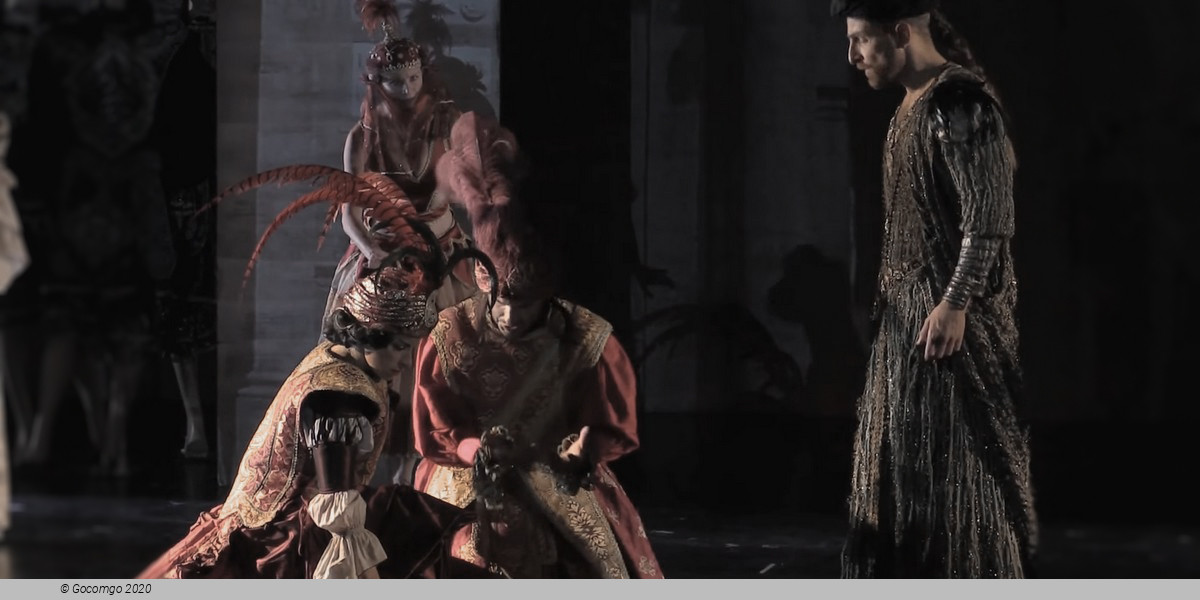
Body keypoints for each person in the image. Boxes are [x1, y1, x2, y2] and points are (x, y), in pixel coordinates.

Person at [137, 167, 494, 579]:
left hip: (306, 511)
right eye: (397, 346)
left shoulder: (337, 360)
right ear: (366, 336)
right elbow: (338, 511)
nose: (404, 360)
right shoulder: (339, 398)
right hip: (284, 535)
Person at [830, 0, 1037, 578]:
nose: (852, 56)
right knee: (900, 474)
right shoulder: (909, 106)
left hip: (944, 323)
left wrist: (954, 302)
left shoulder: (959, 102)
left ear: (900, 33)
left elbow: (988, 218)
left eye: (860, 40)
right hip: (906, 319)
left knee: (954, 474)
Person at [411, 113, 664, 578]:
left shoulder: (586, 336)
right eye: (501, 304)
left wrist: (584, 448)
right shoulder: (449, 334)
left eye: (524, 306)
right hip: (469, 475)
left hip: (554, 471)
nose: (510, 317)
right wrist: (476, 452)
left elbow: (604, 421)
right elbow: (438, 426)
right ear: (483, 284)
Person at [326, 0, 478, 486]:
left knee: (447, 361)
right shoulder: (361, 138)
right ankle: (380, 465)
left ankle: (439, 467)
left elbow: (465, 192)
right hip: (385, 258)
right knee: (383, 365)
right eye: (396, 82)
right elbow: (349, 215)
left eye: (413, 79)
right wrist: (372, 251)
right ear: (377, 84)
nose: (407, 89)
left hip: (441, 254)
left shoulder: (444, 127)